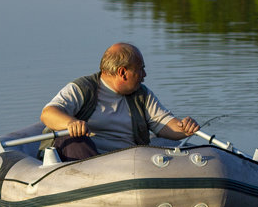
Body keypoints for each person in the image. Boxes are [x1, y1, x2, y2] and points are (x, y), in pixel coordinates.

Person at [40, 42, 200, 161]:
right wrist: (71, 123)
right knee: (73, 140)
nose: (144, 75)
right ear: (123, 72)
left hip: (126, 164)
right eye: (140, 69)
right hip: (87, 160)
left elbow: (165, 124)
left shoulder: (142, 95)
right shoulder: (82, 88)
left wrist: (185, 128)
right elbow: (48, 113)